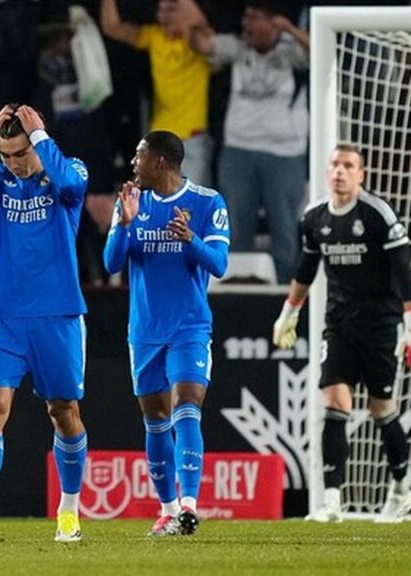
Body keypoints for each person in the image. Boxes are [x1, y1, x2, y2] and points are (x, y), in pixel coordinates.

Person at [0, 104, 89, 543]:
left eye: (20, 153)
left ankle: (69, 510)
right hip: (3, 315)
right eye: (5, 156)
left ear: (38, 143)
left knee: (63, 412)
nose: (13, 164)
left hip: (57, 314)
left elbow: (70, 185)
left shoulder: (68, 171)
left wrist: (41, 138)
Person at [272, 144, 411, 524]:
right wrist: (288, 313)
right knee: (335, 402)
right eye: (335, 164)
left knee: (382, 409)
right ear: (327, 171)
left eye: (348, 166)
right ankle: (332, 501)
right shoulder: (314, 217)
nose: (340, 171)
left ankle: (401, 490)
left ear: (361, 175)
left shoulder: (377, 214)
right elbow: (306, 268)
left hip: (382, 324)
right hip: (340, 324)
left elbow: (403, 269)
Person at [103, 130, 230, 536]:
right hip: (145, 331)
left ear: (159, 161)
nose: (133, 163)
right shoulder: (131, 202)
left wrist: (191, 240)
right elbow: (111, 263)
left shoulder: (207, 202)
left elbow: (219, 264)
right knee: (156, 420)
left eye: (139, 156)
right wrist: (124, 224)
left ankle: (189, 505)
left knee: (187, 405)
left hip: (189, 327)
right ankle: (168, 509)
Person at [189, 0, 309, 283]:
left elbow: (323, 50)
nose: (247, 25)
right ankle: (237, 287)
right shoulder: (238, 46)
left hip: (284, 153)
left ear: (273, 22)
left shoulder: (293, 50)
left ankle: (284, 291)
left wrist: (290, 29)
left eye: (254, 18)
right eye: (246, 18)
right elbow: (203, 45)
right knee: (234, 225)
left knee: (285, 230)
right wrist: (195, 22)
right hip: (238, 150)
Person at [100, 0, 211, 185]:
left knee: (192, 201)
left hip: (191, 140)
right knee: (152, 200)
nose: (164, 15)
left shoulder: (197, 39)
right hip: (160, 138)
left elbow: (203, 32)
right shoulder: (155, 36)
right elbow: (112, 27)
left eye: (171, 9)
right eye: (161, 10)